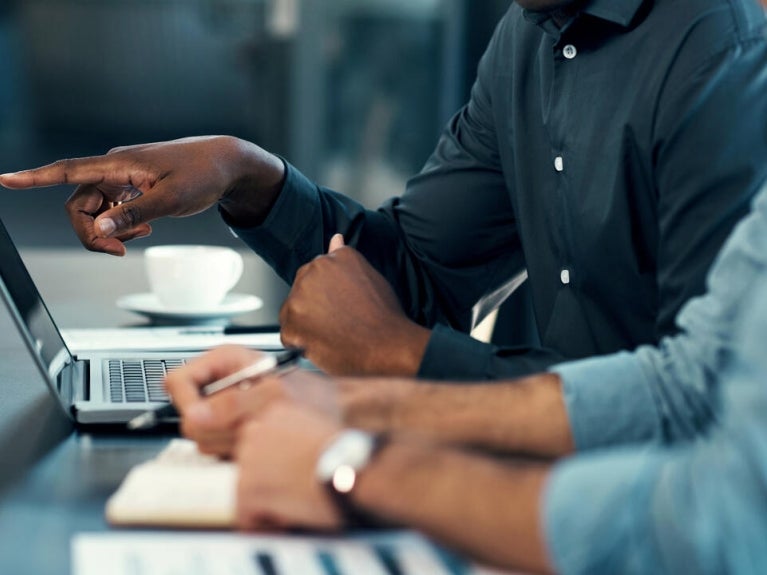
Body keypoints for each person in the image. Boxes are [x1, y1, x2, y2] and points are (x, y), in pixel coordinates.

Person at [1, 0, 767, 380]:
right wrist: (244, 173)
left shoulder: (720, 55)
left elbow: (701, 395)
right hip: (538, 471)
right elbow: (411, 273)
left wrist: (404, 355)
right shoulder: (526, 40)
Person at [162, 177, 767, 574]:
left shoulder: (719, 45)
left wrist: (348, 466)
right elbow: (682, 386)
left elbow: (720, 523)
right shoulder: (525, 46)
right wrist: (339, 402)